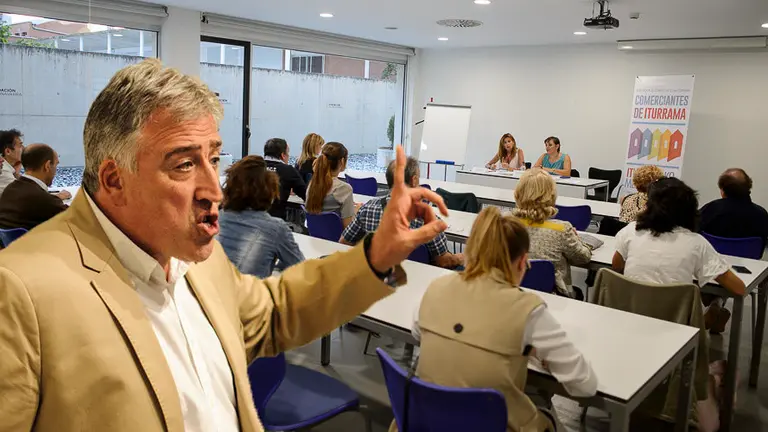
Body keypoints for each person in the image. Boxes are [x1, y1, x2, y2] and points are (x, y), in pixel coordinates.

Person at [0, 59, 450, 432]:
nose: (215, 189)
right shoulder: (20, 292)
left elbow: (272, 313)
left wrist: (376, 255)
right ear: (115, 179)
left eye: (214, 159)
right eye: (183, 164)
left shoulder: (194, 254)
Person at [410, 207, 597, 432]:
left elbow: (418, 333)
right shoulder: (529, 311)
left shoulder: (436, 286)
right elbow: (583, 385)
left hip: (428, 420)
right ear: (522, 262)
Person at [612, 177, 746, 334]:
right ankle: (710, 314)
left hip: (629, 318)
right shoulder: (696, 243)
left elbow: (617, 265)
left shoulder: (631, 230)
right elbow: (739, 289)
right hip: (676, 329)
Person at [341, 157, 464, 269]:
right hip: (416, 283)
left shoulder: (367, 209)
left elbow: (344, 243)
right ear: (414, 180)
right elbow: (443, 261)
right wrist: (460, 258)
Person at [218, 155, 305, 278]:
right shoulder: (276, 229)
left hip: (212, 292)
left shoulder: (218, 218)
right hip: (248, 295)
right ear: (270, 190)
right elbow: (302, 269)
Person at [512, 168, 592, 298]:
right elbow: (583, 258)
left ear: (518, 194)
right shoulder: (562, 229)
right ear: (551, 196)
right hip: (553, 297)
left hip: (513, 293)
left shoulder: (504, 225)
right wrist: (579, 240)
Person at [0, 143, 71, 230]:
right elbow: (79, 220)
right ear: (47, 166)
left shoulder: (9, 190)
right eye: (56, 165)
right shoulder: (43, 199)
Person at [700, 168, 768, 245]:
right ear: (748, 188)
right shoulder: (762, 215)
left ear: (722, 191)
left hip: (714, 256)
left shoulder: (710, 209)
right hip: (748, 256)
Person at [306, 142, 358, 228]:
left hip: (314, 236)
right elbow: (348, 227)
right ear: (342, 161)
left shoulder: (312, 184)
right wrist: (356, 211)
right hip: (337, 239)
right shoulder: (344, 188)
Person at [263, 137, 307, 221]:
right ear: (283, 155)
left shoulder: (253, 167)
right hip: (275, 222)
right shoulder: (288, 170)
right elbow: (306, 195)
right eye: (288, 153)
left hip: (247, 221)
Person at [0, 128, 24, 195]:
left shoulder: (9, 169)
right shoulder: (3, 171)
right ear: (8, 151)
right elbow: (22, 195)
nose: (23, 148)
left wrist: (16, 173)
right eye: (20, 145)